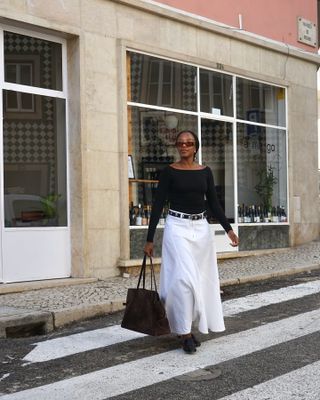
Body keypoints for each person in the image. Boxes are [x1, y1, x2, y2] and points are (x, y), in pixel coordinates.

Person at [144, 130, 239, 354]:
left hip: (201, 229)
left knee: (202, 281)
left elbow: (214, 203)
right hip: (177, 227)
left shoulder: (205, 172)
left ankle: (187, 326)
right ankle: (185, 332)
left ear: (196, 146)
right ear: (177, 147)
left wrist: (228, 229)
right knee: (183, 280)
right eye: (180, 143)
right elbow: (158, 205)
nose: (184, 146)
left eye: (188, 143)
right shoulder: (169, 172)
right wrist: (149, 239)